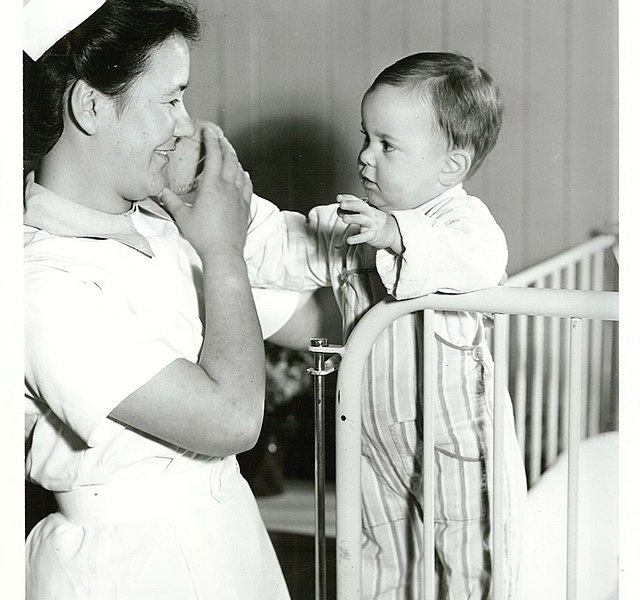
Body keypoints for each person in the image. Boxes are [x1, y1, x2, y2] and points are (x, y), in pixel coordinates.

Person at [23, 1, 296, 598]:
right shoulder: (39, 283)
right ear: (91, 105)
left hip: (221, 534)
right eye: (171, 99)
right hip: (130, 567)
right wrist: (222, 252)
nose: (184, 123)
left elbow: (302, 319)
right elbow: (230, 419)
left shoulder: (153, 223)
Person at [243, 52, 528, 599]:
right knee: (378, 556)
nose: (364, 156)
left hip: (456, 443)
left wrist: (394, 235)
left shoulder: (462, 223)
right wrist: (234, 211)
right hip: (371, 435)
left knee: (475, 560)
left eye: (387, 145)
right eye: (365, 137)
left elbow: (479, 261)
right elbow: (286, 244)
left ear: (452, 166)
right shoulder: (356, 224)